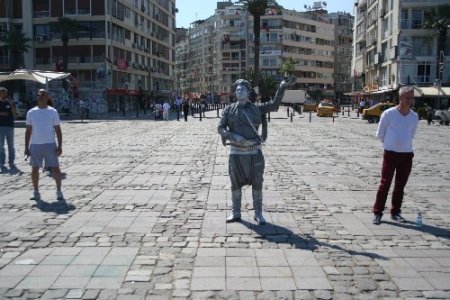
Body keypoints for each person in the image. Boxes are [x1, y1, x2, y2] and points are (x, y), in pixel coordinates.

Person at [218, 78, 292, 225]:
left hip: (254, 153)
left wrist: (282, 87)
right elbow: (220, 128)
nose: (239, 92)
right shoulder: (228, 110)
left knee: (257, 184)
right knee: (235, 184)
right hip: (236, 153)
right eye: (237, 90)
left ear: (248, 92)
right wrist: (233, 136)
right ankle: (236, 211)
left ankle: (258, 213)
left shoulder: (256, 109)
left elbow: (275, 105)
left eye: (243, 89)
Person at [372, 86, 418, 225]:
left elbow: (412, 134)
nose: (409, 100)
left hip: (406, 155)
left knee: (400, 186)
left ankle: (395, 211)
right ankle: (377, 212)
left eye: (411, 97)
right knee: (385, 183)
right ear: (400, 98)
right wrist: (390, 144)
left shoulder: (414, 116)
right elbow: (380, 134)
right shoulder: (388, 114)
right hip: (391, 154)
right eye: (407, 97)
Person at [24, 89, 64, 201]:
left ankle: (59, 191)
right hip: (35, 144)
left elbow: (58, 130)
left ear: (47, 97)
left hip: (50, 143)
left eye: (43, 95)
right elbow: (28, 131)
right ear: (37, 97)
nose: (41, 97)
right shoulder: (31, 112)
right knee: (35, 169)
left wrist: (60, 145)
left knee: (55, 168)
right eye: (39, 95)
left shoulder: (53, 111)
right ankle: (36, 191)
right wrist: (26, 147)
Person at [0, 86, 16, 172]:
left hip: (9, 126)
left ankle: (11, 161)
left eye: (4, 92)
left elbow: (14, 114)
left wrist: (10, 104)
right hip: (0, 126)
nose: (3, 94)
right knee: (0, 146)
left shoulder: (10, 102)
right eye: (1, 93)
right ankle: (1, 162)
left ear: (6, 93)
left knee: (11, 145)